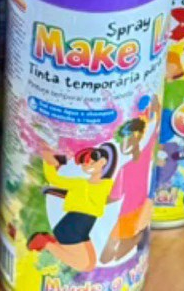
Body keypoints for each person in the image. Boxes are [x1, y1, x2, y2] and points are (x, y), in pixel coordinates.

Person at [27, 143, 116, 272]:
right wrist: (49, 162)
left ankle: (50, 242)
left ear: (103, 162)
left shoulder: (107, 184)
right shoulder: (79, 184)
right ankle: (46, 243)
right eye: (83, 163)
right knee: (83, 264)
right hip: (72, 226)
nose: (86, 165)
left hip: (81, 226)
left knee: (90, 265)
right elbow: (54, 179)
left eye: (90, 161)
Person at [101, 95, 161, 264]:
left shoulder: (144, 152)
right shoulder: (122, 166)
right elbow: (113, 196)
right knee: (106, 257)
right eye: (124, 141)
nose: (127, 144)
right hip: (125, 213)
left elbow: (154, 127)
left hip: (135, 210)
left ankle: (138, 237)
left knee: (109, 257)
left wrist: (154, 107)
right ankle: (138, 237)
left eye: (132, 139)